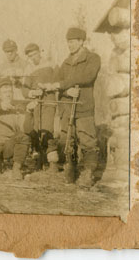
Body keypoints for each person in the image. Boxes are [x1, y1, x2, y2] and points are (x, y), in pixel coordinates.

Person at [39, 27, 101, 188]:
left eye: (73, 42)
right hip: (67, 107)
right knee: (68, 140)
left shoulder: (92, 58)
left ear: (81, 41)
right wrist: (67, 90)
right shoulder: (66, 63)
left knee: (87, 140)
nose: (70, 45)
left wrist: (64, 84)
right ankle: (70, 168)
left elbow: (87, 77)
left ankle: (88, 173)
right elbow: (57, 82)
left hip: (83, 106)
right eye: (68, 42)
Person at [22, 43, 58, 172]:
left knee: (48, 129)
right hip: (36, 103)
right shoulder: (28, 69)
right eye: (30, 56)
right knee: (36, 129)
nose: (33, 58)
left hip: (49, 100)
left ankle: (53, 161)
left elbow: (59, 81)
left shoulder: (51, 64)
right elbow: (24, 90)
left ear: (39, 52)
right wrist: (32, 93)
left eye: (34, 54)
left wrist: (48, 86)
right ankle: (39, 160)